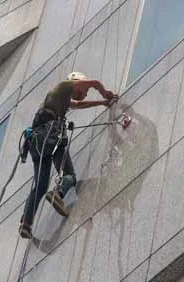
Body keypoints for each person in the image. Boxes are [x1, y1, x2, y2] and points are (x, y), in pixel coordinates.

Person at [19, 72, 118, 239]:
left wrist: (102, 103)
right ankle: (58, 193)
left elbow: (79, 105)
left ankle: (26, 224)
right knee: (69, 175)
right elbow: (95, 82)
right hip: (50, 136)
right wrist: (105, 93)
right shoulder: (64, 86)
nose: (84, 94)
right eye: (84, 90)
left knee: (41, 185)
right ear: (77, 83)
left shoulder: (59, 100)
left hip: (36, 143)